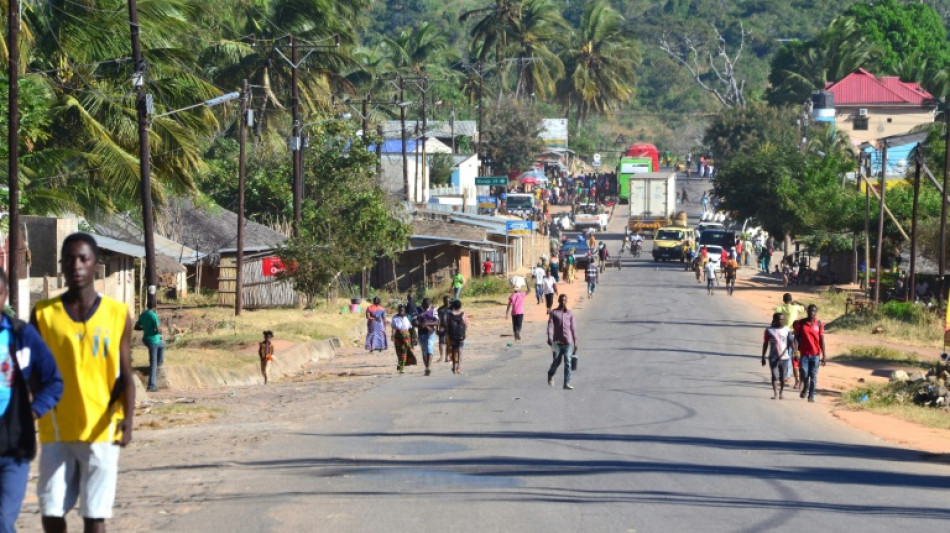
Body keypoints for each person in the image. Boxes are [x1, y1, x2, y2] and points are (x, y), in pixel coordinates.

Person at [33, 232, 136, 533]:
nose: (76, 265)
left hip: (101, 429)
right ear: (62, 265)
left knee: (94, 516)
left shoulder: (117, 314)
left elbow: (126, 375)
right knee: (51, 513)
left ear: (96, 265)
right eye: (69, 259)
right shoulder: (43, 314)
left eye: (83, 258)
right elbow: (31, 372)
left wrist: (128, 420)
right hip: (56, 428)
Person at [0, 270, 63, 533]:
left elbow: (53, 381)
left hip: (14, 447)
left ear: (3, 296)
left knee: (2, 522)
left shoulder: (21, 335)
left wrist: (32, 411)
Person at [794, 304, 826, 402]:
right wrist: (796, 352)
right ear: (807, 312)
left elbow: (822, 340)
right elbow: (796, 338)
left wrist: (824, 355)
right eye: (810, 311)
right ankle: (805, 387)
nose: (812, 313)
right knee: (804, 374)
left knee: (813, 375)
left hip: (815, 354)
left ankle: (811, 395)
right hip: (804, 354)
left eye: (814, 311)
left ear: (816, 312)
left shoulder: (819, 324)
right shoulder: (801, 323)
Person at [546, 294, 577, 390]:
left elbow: (573, 328)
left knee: (568, 361)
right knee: (556, 362)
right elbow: (550, 326)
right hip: (557, 343)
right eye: (561, 300)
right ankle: (550, 374)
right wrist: (550, 337)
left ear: (566, 301)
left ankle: (566, 383)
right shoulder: (554, 313)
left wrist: (576, 341)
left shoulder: (570, 313)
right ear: (558, 301)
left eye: (565, 300)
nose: (563, 301)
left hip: (568, 342)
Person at [762, 313, 796, 400]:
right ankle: (775, 393)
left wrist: (795, 352)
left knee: (782, 377)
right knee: (774, 375)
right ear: (775, 320)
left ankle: (781, 392)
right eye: (780, 319)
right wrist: (763, 356)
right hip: (773, 357)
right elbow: (765, 343)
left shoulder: (787, 330)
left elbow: (791, 342)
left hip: (784, 357)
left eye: (783, 319)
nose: (782, 321)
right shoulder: (769, 330)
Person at [775, 293, 805, 389]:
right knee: (791, 354)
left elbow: (775, 318)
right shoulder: (795, 307)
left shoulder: (780, 308)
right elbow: (805, 307)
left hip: (782, 333)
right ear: (791, 300)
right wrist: (796, 302)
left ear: (783, 300)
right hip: (793, 333)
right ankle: (787, 375)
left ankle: (784, 374)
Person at [134, 301, 165, 392]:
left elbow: (136, 327)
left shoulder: (143, 314)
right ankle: (151, 386)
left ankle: (159, 362)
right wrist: (160, 332)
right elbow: (158, 329)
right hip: (153, 340)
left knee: (163, 344)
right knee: (153, 363)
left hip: (146, 339)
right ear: (155, 307)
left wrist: (145, 328)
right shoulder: (153, 315)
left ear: (147, 306)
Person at [414, 299, 439, 376]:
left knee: (430, 348)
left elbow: (437, 322)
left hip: (431, 332)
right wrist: (421, 325)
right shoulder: (417, 309)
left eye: (427, 306)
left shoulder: (433, 310)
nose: (425, 308)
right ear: (422, 304)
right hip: (421, 333)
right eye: (424, 306)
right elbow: (414, 321)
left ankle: (428, 367)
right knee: (424, 351)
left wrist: (427, 324)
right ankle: (426, 367)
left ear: (430, 304)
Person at [390, 305, 416, 374]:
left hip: (406, 335)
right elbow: (393, 327)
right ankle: (399, 363)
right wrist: (392, 335)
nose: (401, 311)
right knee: (399, 352)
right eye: (400, 310)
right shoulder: (395, 317)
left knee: (404, 351)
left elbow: (410, 328)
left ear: (404, 310)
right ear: (398, 310)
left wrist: (413, 338)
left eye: (402, 310)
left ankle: (402, 367)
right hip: (398, 336)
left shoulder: (407, 317)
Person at [446, 300, 468, 374]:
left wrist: (448, 334)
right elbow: (466, 324)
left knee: (453, 350)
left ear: (453, 306)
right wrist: (464, 333)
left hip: (452, 336)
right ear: (460, 306)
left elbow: (447, 325)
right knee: (460, 351)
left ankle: (453, 367)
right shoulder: (463, 314)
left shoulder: (450, 314)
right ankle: (459, 368)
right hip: (461, 336)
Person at [436, 296, 451, 363]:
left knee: (448, 343)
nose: (447, 302)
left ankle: (446, 357)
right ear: (443, 301)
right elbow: (437, 319)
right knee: (441, 342)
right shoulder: (440, 309)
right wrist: (437, 328)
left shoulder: (452, 308)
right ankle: (441, 356)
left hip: (450, 328)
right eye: (446, 301)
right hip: (442, 327)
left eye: (448, 301)